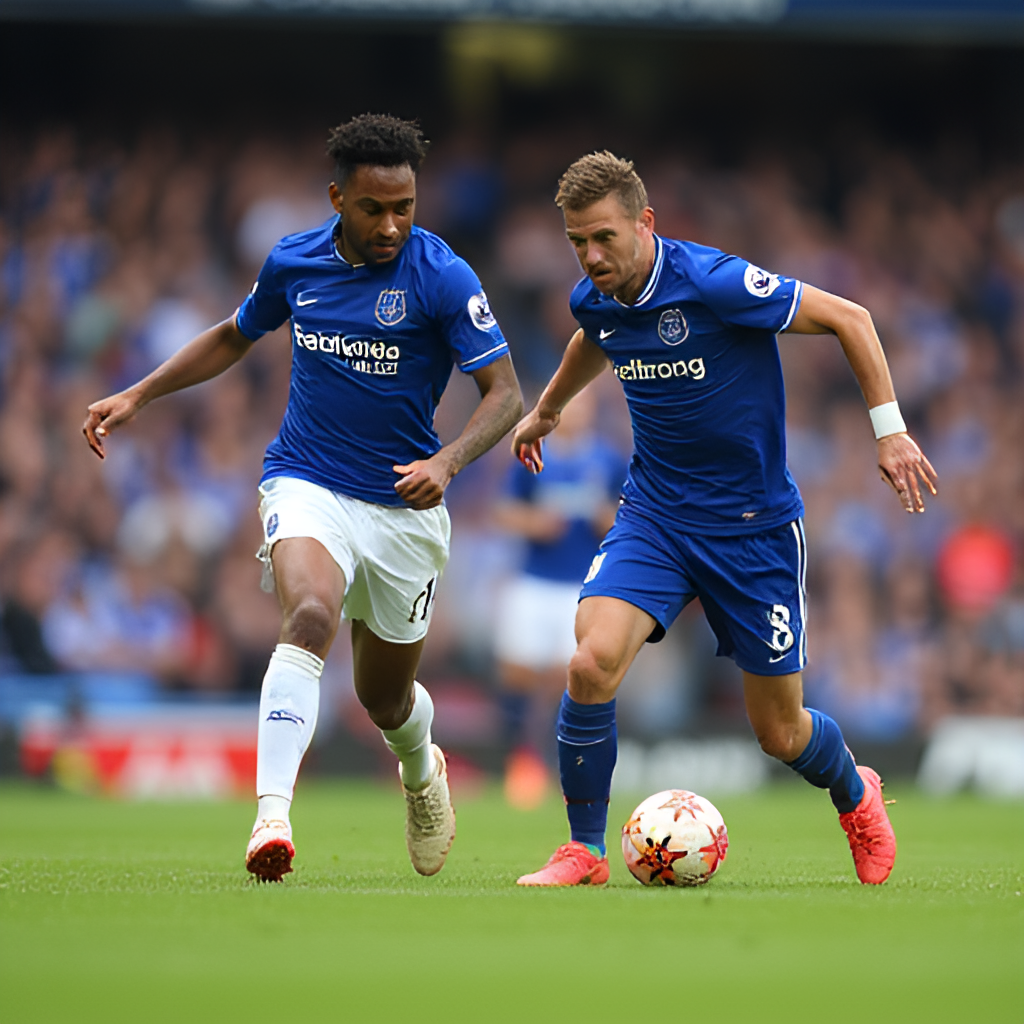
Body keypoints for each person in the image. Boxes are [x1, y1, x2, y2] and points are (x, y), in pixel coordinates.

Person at [83, 115, 523, 882]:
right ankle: (271, 819)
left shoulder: (443, 276)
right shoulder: (294, 261)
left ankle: (422, 769)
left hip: (404, 506)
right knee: (311, 615)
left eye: (405, 208)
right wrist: (142, 393)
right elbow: (233, 333)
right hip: (307, 479)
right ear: (336, 198)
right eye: (373, 208)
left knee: (384, 700)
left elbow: (506, 393)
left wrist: (447, 464)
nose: (391, 225)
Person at [511, 151, 938, 887]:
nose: (591, 256)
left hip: (754, 528)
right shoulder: (594, 297)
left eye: (605, 237)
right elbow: (594, 336)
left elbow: (850, 317)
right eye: (578, 241)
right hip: (656, 516)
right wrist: (549, 408)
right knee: (589, 663)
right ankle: (584, 849)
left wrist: (890, 429)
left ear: (645, 224)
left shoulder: (714, 282)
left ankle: (855, 793)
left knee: (780, 732)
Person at [492, 385, 625, 808]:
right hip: (533, 580)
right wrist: (536, 523)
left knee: (564, 677)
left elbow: (628, 515)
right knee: (515, 673)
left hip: (580, 586)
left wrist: (607, 521)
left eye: (584, 406)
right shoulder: (533, 454)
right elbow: (504, 511)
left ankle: (546, 764)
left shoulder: (606, 459)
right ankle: (518, 757)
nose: (577, 414)